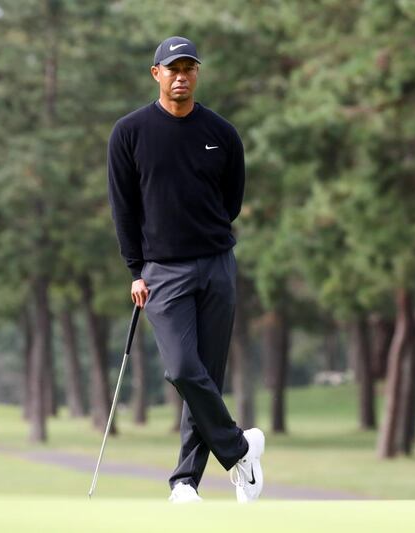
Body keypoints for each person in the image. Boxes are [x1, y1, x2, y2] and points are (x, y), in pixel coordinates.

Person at [107, 36, 265, 504]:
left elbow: (231, 201)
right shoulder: (130, 132)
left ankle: (185, 483)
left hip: (217, 265)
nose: (181, 76)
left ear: (198, 73)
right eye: (171, 68)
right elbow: (123, 207)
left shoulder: (222, 132)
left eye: (189, 68)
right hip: (161, 273)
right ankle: (240, 449)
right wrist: (136, 269)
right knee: (181, 368)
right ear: (155, 74)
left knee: (207, 377)